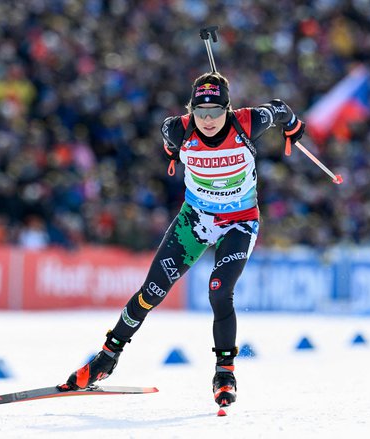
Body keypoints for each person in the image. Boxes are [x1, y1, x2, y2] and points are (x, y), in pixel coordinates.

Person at [58, 72, 305, 408]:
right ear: (191, 110)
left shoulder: (248, 122)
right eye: (200, 112)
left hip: (239, 223)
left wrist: (292, 125)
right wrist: (174, 155)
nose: (207, 120)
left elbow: (278, 109)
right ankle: (106, 358)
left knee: (219, 289)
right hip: (195, 221)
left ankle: (225, 373)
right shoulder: (177, 128)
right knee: (151, 292)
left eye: (216, 112)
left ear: (228, 109)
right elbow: (169, 144)